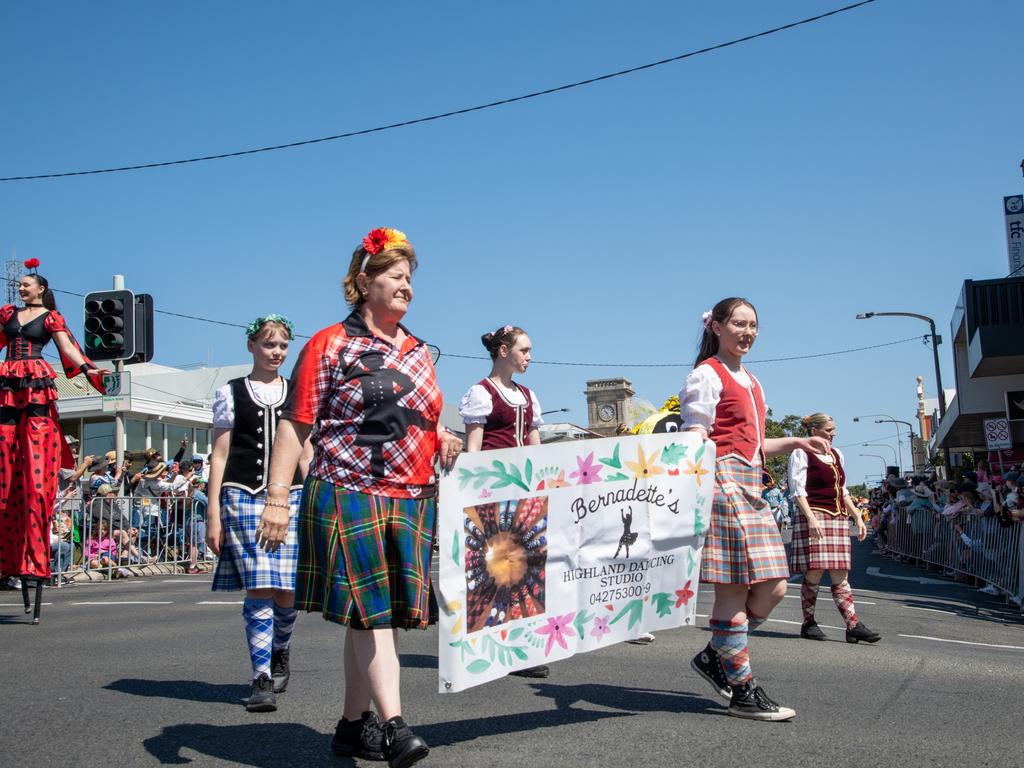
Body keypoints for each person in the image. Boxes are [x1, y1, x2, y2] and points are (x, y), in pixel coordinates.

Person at [261, 227, 461, 767]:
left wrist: (442, 435)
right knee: (373, 616)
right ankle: (396, 725)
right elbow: (296, 425)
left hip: (412, 496)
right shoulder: (330, 344)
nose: (407, 287)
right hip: (349, 489)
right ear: (364, 282)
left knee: (372, 618)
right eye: (396, 277)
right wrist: (278, 496)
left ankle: (352, 728)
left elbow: (424, 413)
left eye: (410, 278)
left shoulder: (420, 350)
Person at [680, 297, 830, 721]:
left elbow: (754, 444)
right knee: (732, 589)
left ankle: (715, 656)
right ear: (717, 328)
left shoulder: (750, 380)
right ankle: (743, 688)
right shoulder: (705, 376)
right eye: (738, 324)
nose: (747, 333)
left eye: (753, 326)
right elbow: (697, 437)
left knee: (775, 585)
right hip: (722, 483)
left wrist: (799, 442)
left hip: (750, 483)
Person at [206, 314, 303, 714]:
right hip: (243, 495)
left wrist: (317, 497)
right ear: (251, 346)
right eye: (268, 344)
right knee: (260, 586)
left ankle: (280, 649)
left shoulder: (297, 393)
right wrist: (213, 512)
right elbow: (221, 454)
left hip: (293, 496)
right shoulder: (231, 392)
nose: (276, 352)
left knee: (288, 589)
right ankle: (260, 676)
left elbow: (306, 450)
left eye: (282, 345)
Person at [0, 260, 108, 616]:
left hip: (34, 385)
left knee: (33, 474)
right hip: (8, 386)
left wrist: (90, 368)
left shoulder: (50, 318)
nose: (20, 288)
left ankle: (32, 563)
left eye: (26, 284)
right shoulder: (8, 314)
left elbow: (68, 349)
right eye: (20, 285)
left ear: (41, 288)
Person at [459, 325, 553, 674]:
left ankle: (523, 642)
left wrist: (541, 486)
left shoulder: (529, 396)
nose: (529, 357)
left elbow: (535, 447)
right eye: (523, 350)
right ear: (503, 351)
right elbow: (474, 449)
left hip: (524, 492)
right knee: (499, 569)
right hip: (494, 493)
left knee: (527, 569)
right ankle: (496, 640)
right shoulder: (481, 392)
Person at [787, 413, 880, 644]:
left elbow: (843, 491)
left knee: (840, 573)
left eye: (833, 429)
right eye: (829, 429)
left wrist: (857, 515)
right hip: (815, 514)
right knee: (815, 571)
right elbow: (797, 490)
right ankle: (808, 623)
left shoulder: (836, 454)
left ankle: (853, 625)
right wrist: (810, 518)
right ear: (814, 431)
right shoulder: (801, 453)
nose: (833, 433)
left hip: (837, 517)